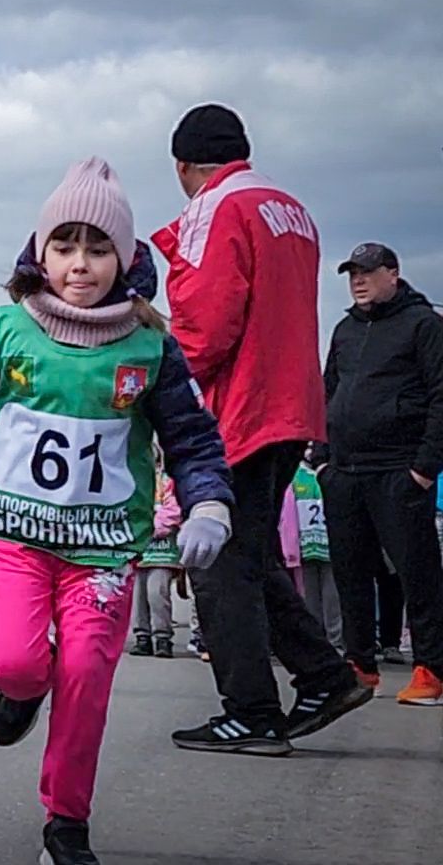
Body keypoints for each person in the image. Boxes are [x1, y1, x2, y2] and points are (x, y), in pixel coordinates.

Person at [0, 156, 235, 865]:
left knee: (88, 678)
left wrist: (209, 506)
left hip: (102, 550)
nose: (80, 264)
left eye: (98, 248)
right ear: (38, 253)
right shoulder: (2, 330)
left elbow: (192, 436)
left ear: (126, 258)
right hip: (13, 536)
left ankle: (66, 824)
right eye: (65, 246)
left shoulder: (149, 347)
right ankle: (21, 689)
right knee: (15, 661)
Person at [151, 103, 373, 754]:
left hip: (237, 409)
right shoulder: (289, 208)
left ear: (184, 166)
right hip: (290, 402)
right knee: (250, 554)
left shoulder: (217, 209)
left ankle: (250, 710)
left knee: (220, 559)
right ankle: (323, 676)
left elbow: (205, 325)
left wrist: (164, 392)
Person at [313, 241, 443, 706]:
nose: (358, 281)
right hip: (344, 470)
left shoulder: (424, 324)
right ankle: (359, 664)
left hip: (398, 468)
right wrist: (321, 457)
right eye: (352, 274)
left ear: (393, 273)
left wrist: (424, 469)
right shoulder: (346, 329)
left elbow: (441, 398)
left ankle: (431, 668)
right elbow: (328, 392)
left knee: (416, 571)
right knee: (349, 571)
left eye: (367, 273)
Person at [289, 460, 342, 650]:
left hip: (331, 543)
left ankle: (334, 639)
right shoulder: (295, 475)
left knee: (332, 595)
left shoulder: (333, 472)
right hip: (304, 544)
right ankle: (316, 639)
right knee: (308, 594)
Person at [130, 475, 184, 658]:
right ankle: (142, 637)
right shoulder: (134, 479)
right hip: (139, 552)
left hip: (163, 551)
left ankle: (162, 637)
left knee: (157, 593)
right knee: (138, 597)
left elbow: (174, 510)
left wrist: (151, 527)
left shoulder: (168, 482)